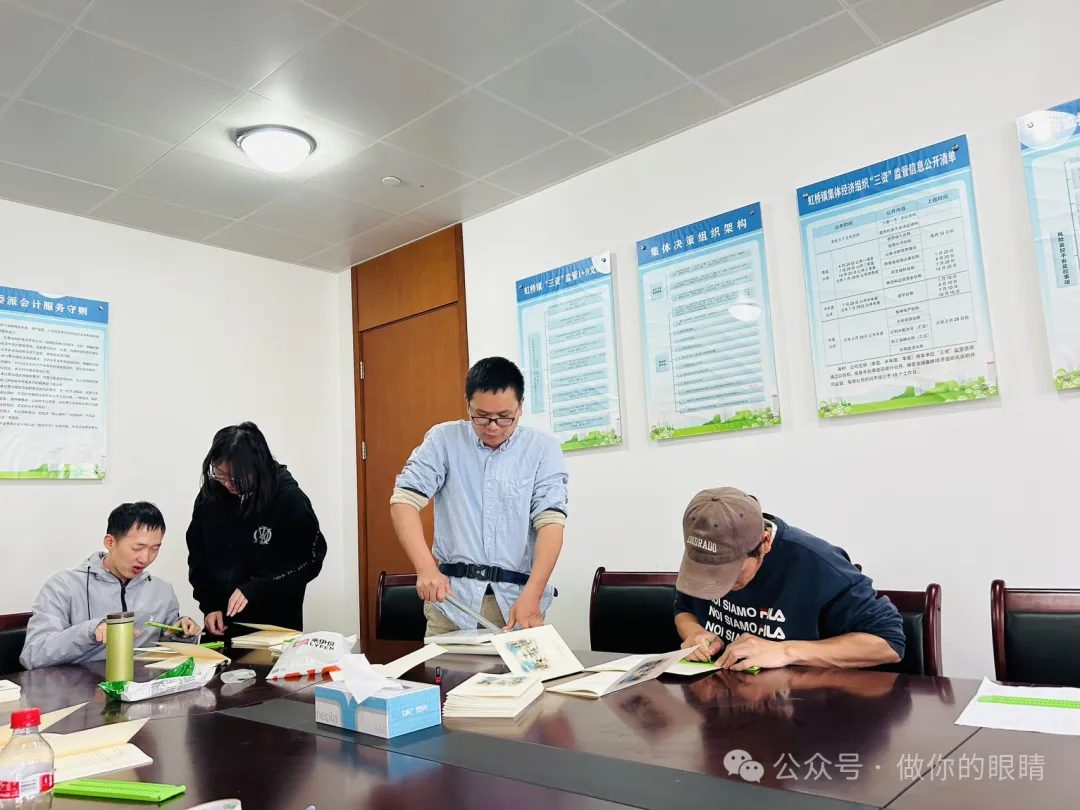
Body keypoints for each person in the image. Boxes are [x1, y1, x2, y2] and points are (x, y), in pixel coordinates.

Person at [390, 357, 569, 635]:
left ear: (521, 406)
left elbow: (550, 524)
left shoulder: (543, 450)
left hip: (517, 602)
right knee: (443, 677)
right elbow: (403, 501)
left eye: (505, 417)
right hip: (451, 603)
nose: (493, 426)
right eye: (482, 416)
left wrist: (532, 596)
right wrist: (426, 568)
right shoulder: (443, 440)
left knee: (519, 680)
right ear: (468, 404)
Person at [673, 487, 904, 670]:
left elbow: (887, 643)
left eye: (730, 574)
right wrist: (694, 633)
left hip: (802, 714)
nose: (717, 587)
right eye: (706, 573)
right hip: (721, 706)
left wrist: (785, 651)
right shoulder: (703, 552)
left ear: (764, 543)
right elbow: (684, 608)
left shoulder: (819, 565)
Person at [186, 422, 327, 638]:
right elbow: (198, 555)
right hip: (221, 624)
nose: (228, 485)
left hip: (274, 626)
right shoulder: (210, 497)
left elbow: (309, 560)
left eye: (237, 478)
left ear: (257, 467)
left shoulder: (289, 499)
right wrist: (210, 604)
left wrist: (257, 586)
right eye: (221, 475)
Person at [20, 502, 200, 670]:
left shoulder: (162, 591)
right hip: (81, 692)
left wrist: (183, 633)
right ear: (110, 542)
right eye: (138, 548)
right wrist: (90, 632)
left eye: (155, 548)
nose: (145, 558)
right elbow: (33, 655)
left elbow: (170, 653)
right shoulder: (63, 586)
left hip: (143, 692)